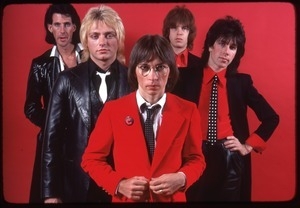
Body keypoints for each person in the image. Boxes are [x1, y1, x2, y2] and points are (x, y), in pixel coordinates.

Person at [81, 34, 206, 203]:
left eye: (160, 67)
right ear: (134, 71)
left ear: (170, 70)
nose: (153, 77)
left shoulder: (188, 110)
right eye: (145, 67)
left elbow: (197, 159)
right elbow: (91, 159)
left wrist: (182, 178)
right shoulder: (113, 111)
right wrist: (119, 184)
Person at [41, 5, 130, 203]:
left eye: (109, 35)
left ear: (119, 38)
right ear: (85, 40)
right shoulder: (66, 80)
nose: (102, 42)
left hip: (123, 182)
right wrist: (50, 193)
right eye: (95, 36)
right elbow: (51, 141)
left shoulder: (135, 79)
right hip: (77, 182)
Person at [185, 16, 279, 201]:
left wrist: (247, 146)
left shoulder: (241, 83)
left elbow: (271, 117)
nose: (226, 51)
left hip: (229, 158)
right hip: (194, 155)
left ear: (237, 53)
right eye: (222, 43)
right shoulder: (187, 77)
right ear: (211, 45)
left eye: (232, 47)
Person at [24, 4, 82, 203]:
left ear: (75, 27)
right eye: (57, 24)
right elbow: (30, 107)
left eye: (67, 24)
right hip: (53, 144)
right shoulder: (40, 64)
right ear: (50, 28)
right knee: (53, 196)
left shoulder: (90, 57)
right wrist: (53, 126)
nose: (62, 30)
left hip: (86, 140)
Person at [162, 5, 202, 101]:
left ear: (190, 33)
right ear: (168, 32)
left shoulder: (201, 65)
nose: (179, 33)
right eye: (174, 28)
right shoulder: (158, 62)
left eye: (184, 28)